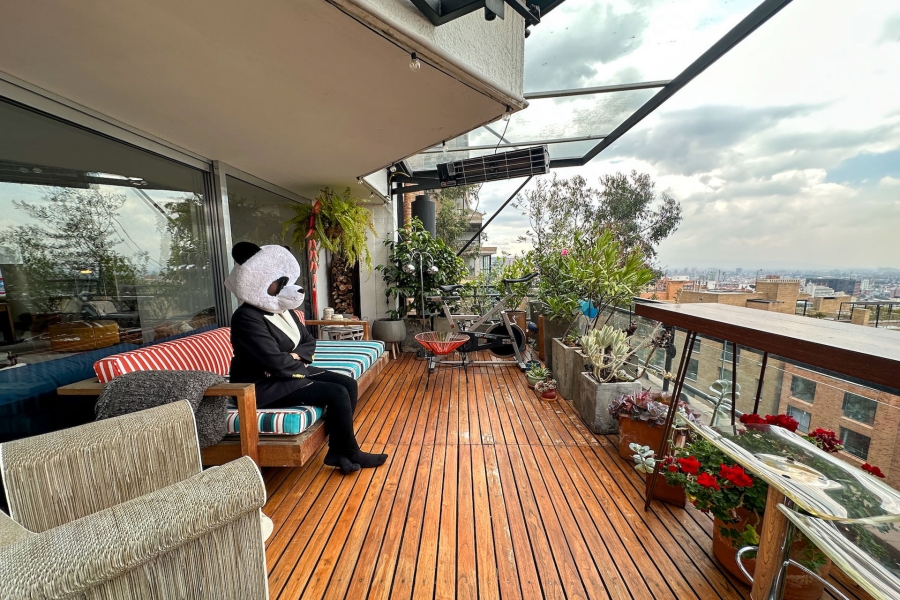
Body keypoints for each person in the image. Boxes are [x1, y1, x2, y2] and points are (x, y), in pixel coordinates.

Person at [225, 241, 386, 474]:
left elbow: (308, 341)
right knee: (337, 392)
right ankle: (350, 452)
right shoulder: (246, 317)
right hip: (261, 385)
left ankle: (337, 450)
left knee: (348, 384)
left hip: (284, 374)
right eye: (281, 282)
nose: (288, 287)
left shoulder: (283, 310)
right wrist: (293, 360)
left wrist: (293, 356)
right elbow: (274, 361)